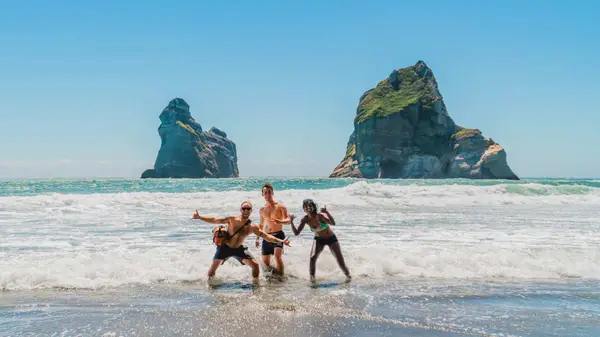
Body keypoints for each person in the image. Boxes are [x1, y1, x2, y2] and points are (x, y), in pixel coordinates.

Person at [192, 200, 291, 282]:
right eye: (244, 208)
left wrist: (281, 240)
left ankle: (255, 285)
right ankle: (209, 285)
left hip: (239, 249)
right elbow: (215, 220)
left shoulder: (252, 226)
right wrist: (200, 217)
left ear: (251, 210)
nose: (246, 210)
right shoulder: (232, 219)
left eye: (248, 208)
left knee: (255, 266)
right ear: (241, 209)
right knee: (213, 268)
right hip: (225, 248)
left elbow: (266, 236)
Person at [289, 199, 351, 283]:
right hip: (318, 239)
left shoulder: (320, 216)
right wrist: (291, 222)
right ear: (304, 209)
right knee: (312, 257)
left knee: (340, 260)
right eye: (306, 206)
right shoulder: (305, 219)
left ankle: (348, 276)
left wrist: (327, 212)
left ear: (314, 207)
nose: (308, 207)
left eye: (310, 206)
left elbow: (333, 223)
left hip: (331, 239)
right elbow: (296, 233)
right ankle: (312, 280)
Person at [255, 182, 292, 275]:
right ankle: (276, 274)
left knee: (277, 256)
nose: (267, 194)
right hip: (266, 237)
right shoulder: (262, 210)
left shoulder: (280, 207)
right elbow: (261, 225)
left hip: (278, 235)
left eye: (269, 192)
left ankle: (281, 277)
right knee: (266, 263)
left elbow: (288, 220)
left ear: (272, 193)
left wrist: (281, 222)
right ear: (262, 194)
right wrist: (257, 238)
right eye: (265, 192)